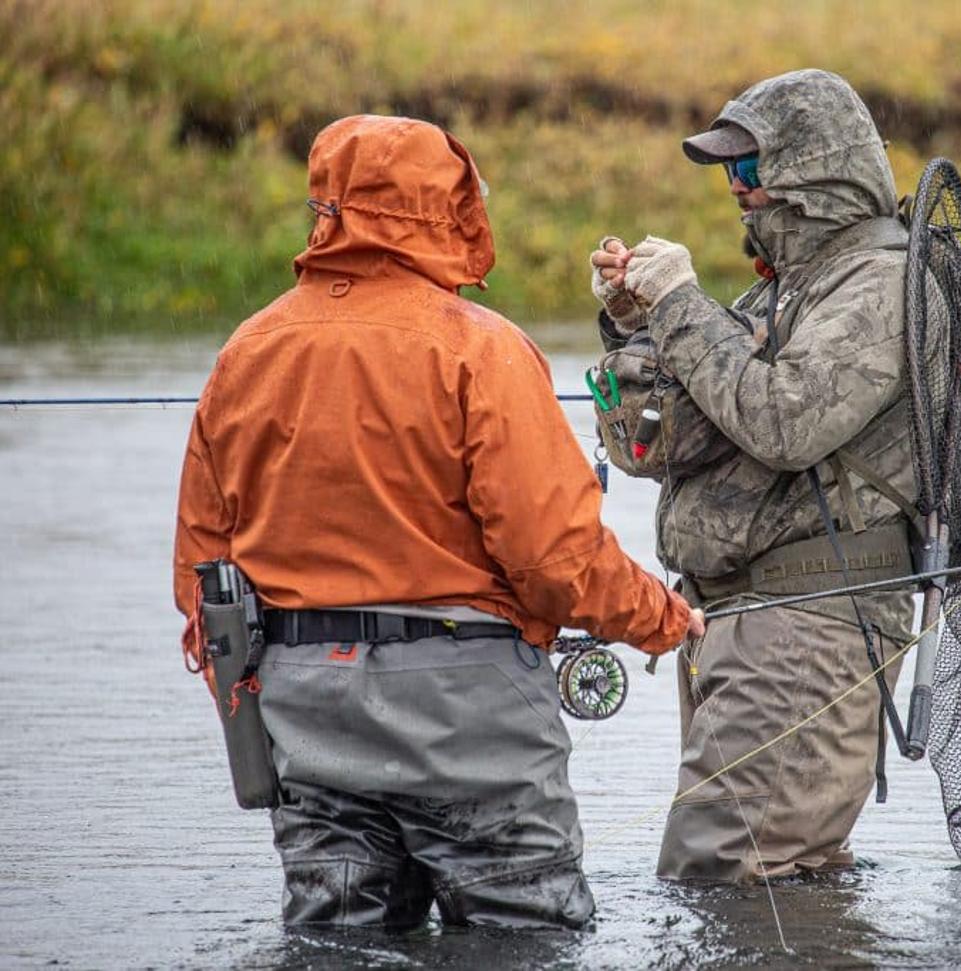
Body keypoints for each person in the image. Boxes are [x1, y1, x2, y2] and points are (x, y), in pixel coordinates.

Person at [173, 114, 702, 929]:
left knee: (335, 942)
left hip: (301, 710)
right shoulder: (481, 350)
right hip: (469, 715)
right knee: (523, 938)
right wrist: (663, 618)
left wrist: (256, 695)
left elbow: (202, 575)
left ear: (330, 208)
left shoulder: (246, 352)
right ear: (445, 208)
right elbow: (554, 560)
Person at [589, 69, 918, 881]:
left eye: (749, 171)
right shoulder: (786, 294)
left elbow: (785, 421)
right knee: (768, 881)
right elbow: (656, 449)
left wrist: (682, 305)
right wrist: (635, 324)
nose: (738, 193)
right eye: (729, 175)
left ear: (817, 175)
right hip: (738, 626)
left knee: (727, 877)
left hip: (807, 625)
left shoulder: (880, 286)